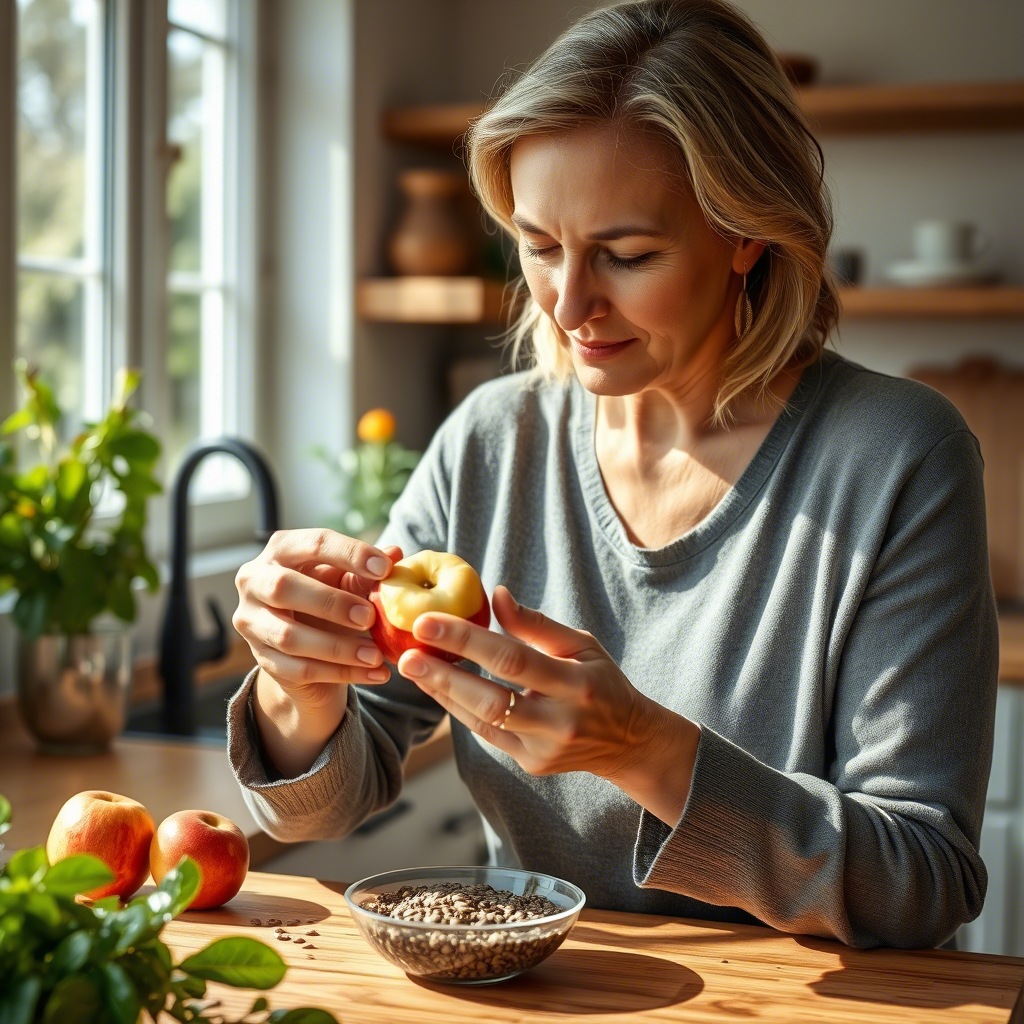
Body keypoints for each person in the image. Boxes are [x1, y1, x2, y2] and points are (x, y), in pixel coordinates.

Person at [228, 0, 998, 949]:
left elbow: (923, 881)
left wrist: (648, 752)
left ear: (745, 231)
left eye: (627, 255)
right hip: (533, 998)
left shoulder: (898, 457)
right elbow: (314, 812)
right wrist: (296, 687)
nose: (568, 302)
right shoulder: (488, 444)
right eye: (539, 245)